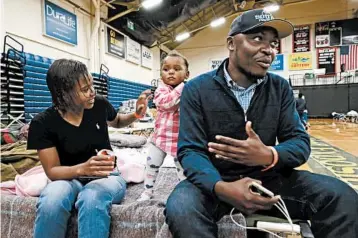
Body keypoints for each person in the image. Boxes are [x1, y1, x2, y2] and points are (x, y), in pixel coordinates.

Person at [165, 9, 358, 238]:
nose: (268, 49)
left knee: (342, 197)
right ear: (231, 43)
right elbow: (190, 149)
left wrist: (269, 155)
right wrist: (221, 188)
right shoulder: (196, 89)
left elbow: (299, 142)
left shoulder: (280, 88)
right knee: (181, 208)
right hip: (215, 180)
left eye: (273, 43)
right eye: (257, 38)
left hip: (268, 180)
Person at [27, 59, 151, 238]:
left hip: (107, 176)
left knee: (92, 198)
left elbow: (116, 121)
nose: (92, 92)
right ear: (63, 94)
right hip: (69, 177)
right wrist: (82, 169)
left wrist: (136, 115)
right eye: (85, 89)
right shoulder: (42, 123)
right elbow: (52, 170)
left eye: (92, 86)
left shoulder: (99, 104)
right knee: (52, 199)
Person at [138, 51, 189, 201]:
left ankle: (185, 193)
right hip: (160, 138)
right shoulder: (161, 90)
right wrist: (183, 87)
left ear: (187, 73)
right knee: (152, 164)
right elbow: (168, 104)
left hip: (179, 139)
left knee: (183, 171)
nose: (171, 72)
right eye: (166, 69)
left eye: (177, 69)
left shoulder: (190, 91)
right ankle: (147, 191)